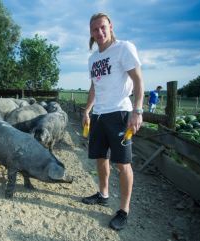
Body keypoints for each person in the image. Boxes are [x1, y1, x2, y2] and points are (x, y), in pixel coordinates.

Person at [81, 13, 144, 230]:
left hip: (119, 114)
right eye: (94, 29)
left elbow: (138, 80)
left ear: (110, 27)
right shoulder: (93, 58)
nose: (99, 32)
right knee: (100, 158)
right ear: (91, 33)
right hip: (98, 115)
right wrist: (87, 109)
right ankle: (103, 193)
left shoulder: (123, 48)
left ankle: (123, 210)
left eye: (102, 27)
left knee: (122, 163)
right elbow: (94, 88)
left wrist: (137, 111)